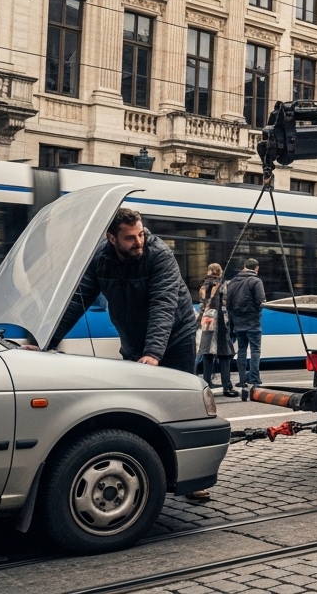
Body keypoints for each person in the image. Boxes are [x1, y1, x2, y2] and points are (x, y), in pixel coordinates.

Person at [46, 208, 209, 500]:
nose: (139, 241)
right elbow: (76, 302)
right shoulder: (100, 259)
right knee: (140, 408)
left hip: (175, 338)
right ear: (111, 238)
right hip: (134, 341)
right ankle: (150, 466)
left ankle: (193, 478)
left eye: (141, 234)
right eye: (130, 238)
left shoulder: (159, 255)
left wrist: (153, 354)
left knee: (185, 406)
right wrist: (46, 340)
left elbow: (163, 305)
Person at [226, 258, 266, 401]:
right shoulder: (256, 281)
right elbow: (261, 300)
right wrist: (257, 310)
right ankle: (255, 379)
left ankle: (242, 379)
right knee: (255, 350)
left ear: (244, 267)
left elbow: (228, 303)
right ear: (256, 268)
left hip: (237, 322)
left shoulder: (232, 282)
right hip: (252, 320)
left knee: (242, 350)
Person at [198, 263, 238, 397]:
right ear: (220, 273)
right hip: (220, 324)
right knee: (225, 355)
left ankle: (205, 386)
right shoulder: (222, 285)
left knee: (208, 355)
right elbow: (227, 304)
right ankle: (227, 386)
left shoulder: (203, 286)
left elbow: (202, 306)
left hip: (207, 324)